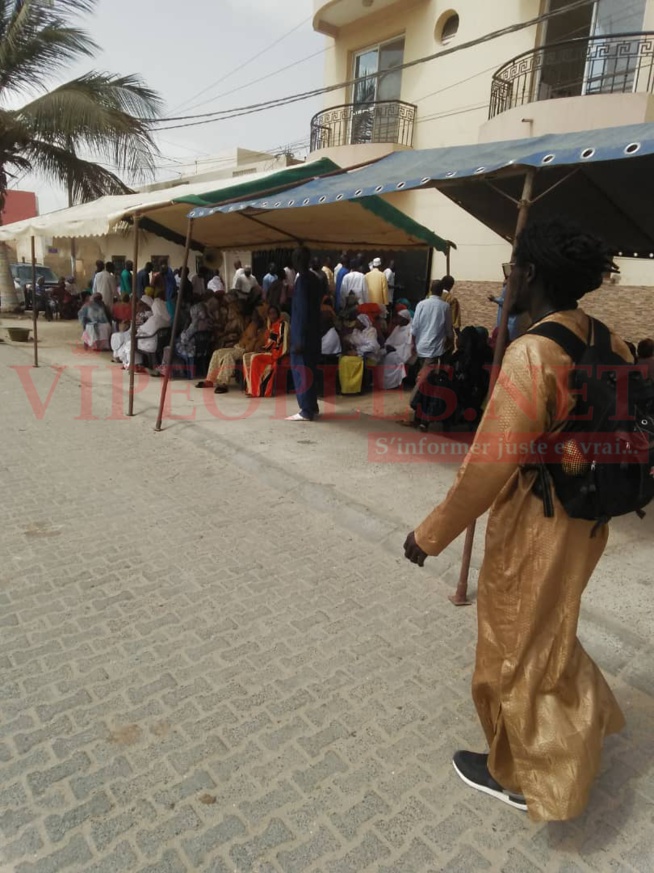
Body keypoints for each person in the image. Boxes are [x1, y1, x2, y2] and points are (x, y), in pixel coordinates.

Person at [403, 218, 629, 822]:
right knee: (551, 624)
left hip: (539, 519)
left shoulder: (534, 351)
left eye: (510, 271)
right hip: (592, 514)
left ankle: (525, 774)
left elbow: (488, 466)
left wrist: (429, 536)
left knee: (513, 641)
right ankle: (584, 719)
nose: (507, 282)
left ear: (530, 274)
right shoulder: (612, 339)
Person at [287, 246, 322, 421]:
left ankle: (306, 410)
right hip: (314, 334)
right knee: (311, 371)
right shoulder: (315, 279)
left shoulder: (302, 281)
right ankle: (312, 406)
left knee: (302, 372)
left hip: (303, 337)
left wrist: (298, 339)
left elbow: (301, 312)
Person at [197, 310, 266, 393]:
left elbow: (255, 345)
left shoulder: (261, 330)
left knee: (229, 356)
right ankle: (210, 380)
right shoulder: (250, 324)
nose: (254, 315)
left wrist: (253, 342)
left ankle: (223, 383)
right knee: (217, 353)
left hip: (245, 351)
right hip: (237, 347)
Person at [243, 304, 288, 397]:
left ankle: (255, 392)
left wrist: (267, 351)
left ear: (278, 314)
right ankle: (250, 387)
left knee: (254, 358)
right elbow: (269, 343)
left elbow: (280, 343)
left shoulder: (282, 325)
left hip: (275, 354)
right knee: (246, 356)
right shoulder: (269, 327)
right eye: (270, 314)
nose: (272, 316)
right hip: (268, 352)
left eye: (274, 313)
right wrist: (262, 349)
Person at [411, 280, 453, 366]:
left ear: (430, 290)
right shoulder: (445, 307)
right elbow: (449, 329)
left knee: (419, 373)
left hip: (420, 346)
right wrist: (450, 341)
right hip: (435, 348)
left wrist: (412, 344)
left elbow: (414, 327)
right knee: (427, 375)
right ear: (442, 291)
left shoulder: (421, 304)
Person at [338, 314, 380, 394]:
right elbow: (352, 339)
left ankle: (355, 386)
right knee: (342, 359)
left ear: (362, 322)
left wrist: (358, 352)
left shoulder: (371, 330)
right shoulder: (356, 331)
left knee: (348, 361)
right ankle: (347, 386)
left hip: (369, 355)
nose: (355, 323)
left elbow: (373, 346)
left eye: (357, 322)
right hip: (357, 354)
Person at [379, 309, 413, 390]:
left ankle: (393, 383)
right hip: (393, 350)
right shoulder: (397, 328)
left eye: (400, 318)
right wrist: (388, 346)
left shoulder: (410, 329)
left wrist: (395, 349)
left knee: (390, 358)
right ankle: (383, 382)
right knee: (380, 355)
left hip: (403, 352)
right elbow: (389, 340)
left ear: (405, 319)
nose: (397, 320)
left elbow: (408, 345)